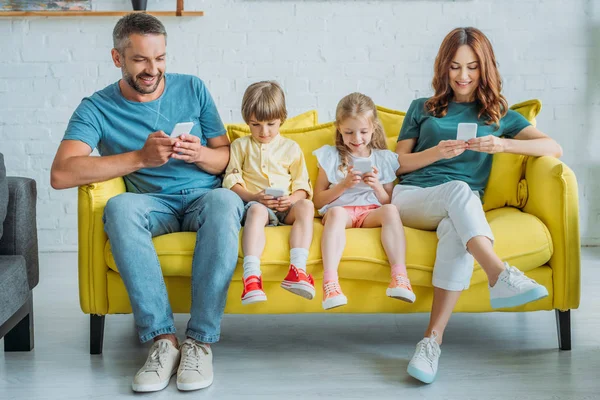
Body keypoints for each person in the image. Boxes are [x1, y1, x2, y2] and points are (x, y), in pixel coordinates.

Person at [50, 13, 244, 393]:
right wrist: (139, 158)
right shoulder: (97, 107)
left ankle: (200, 343)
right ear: (117, 57)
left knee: (224, 202)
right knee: (118, 208)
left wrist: (200, 154)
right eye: (140, 59)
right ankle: (163, 341)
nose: (152, 69)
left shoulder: (193, 88)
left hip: (205, 197)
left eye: (160, 58)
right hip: (150, 204)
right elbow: (61, 173)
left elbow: (225, 158)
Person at [392, 27, 563, 384]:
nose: (463, 76)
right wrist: (436, 152)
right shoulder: (421, 108)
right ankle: (498, 273)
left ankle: (431, 342)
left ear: (484, 68)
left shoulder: (498, 114)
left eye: (471, 67)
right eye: (454, 67)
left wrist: (503, 146)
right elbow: (398, 165)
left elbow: (552, 148)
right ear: (443, 68)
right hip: (412, 199)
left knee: (457, 229)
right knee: (460, 191)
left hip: (459, 211)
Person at [312, 92, 415, 310]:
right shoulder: (330, 156)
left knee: (390, 211)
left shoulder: (383, 158)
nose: (356, 139)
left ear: (374, 128)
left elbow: (388, 201)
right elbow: (318, 201)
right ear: (339, 128)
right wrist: (343, 185)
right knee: (338, 213)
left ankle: (400, 277)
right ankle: (330, 283)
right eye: (349, 132)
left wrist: (377, 185)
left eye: (363, 132)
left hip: (371, 212)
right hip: (342, 212)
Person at [223, 81, 316, 304]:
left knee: (307, 206)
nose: (264, 131)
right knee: (256, 211)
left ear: (282, 118)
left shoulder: (291, 148)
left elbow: (303, 185)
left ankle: (298, 269)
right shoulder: (240, 146)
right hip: (257, 206)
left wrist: (292, 199)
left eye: (271, 124)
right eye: (255, 125)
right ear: (247, 121)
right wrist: (254, 197)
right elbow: (230, 180)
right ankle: (252, 276)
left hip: (287, 207)